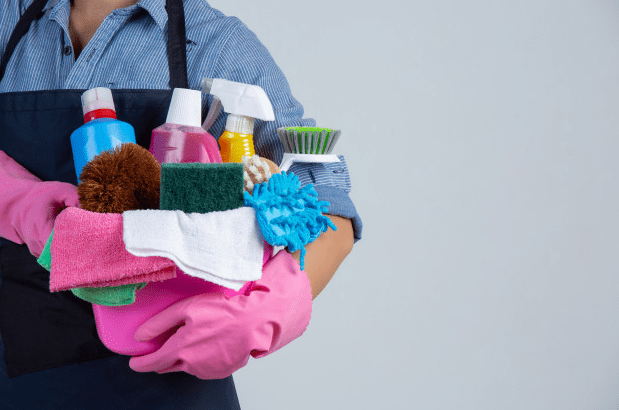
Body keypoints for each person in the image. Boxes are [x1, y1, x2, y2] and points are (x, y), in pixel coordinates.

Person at [0, 0, 362, 408]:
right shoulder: (7, 20)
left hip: (168, 382)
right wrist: (20, 201)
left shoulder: (216, 44)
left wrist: (269, 310)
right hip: (18, 378)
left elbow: (331, 214)